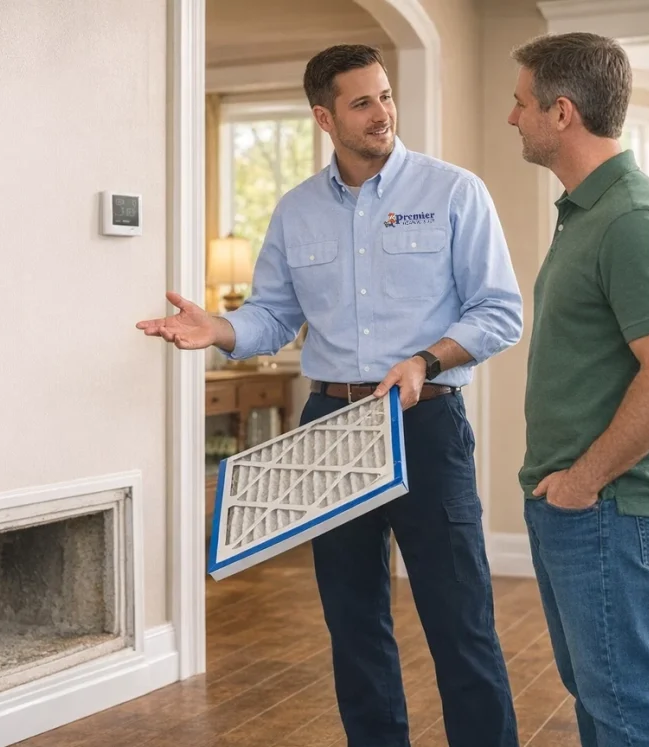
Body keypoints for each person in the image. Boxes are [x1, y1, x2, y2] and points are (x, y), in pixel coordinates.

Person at [139, 44, 522, 747]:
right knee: (353, 625)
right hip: (330, 426)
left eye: (385, 96)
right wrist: (219, 327)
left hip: (426, 423)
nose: (383, 113)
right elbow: (274, 316)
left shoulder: (452, 191)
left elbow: (500, 311)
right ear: (324, 117)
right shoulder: (296, 212)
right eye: (362, 102)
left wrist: (423, 360)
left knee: (460, 622)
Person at [509, 32, 649, 747]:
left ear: (562, 113)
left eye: (521, 103)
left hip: (610, 508)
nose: (512, 117)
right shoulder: (588, 211)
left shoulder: (632, 219)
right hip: (580, 508)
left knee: (632, 716)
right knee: (603, 708)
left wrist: (583, 481)